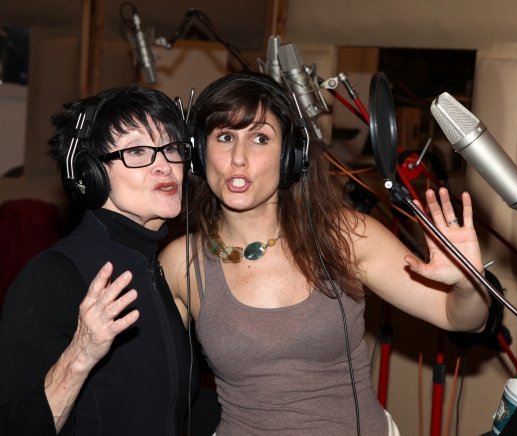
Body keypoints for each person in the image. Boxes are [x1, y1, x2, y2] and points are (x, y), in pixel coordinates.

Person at [159, 71, 490, 436]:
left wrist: (468, 283)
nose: (238, 158)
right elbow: (150, 389)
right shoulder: (179, 263)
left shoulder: (345, 235)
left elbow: (462, 319)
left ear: (291, 156)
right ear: (200, 153)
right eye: (224, 137)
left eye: (259, 138)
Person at [0, 85, 199, 435]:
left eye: (170, 148)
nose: (164, 166)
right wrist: (81, 354)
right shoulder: (54, 276)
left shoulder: (160, 271)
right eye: (137, 151)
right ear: (90, 173)